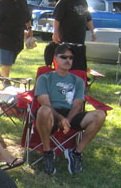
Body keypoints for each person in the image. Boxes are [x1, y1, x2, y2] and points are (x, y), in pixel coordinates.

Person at [34, 43, 106, 176]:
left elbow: (78, 105)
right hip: (51, 113)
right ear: (55, 58)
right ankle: (48, 152)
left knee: (100, 115)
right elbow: (44, 102)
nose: (68, 60)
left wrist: (67, 120)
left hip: (71, 114)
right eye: (64, 57)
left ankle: (76, 153)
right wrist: (61, 119)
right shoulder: (44, 78)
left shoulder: (78, 81)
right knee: (43, 110)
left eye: (71, 58)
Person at [52, 0, 95, 71]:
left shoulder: (83, 1)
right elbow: (57, 19)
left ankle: (79, 76)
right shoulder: (64, 1)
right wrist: (55, 33)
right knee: (66, 57)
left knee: (78, 60)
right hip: (66, 37)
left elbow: (88, 18)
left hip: (79, 37)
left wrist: (92, 32)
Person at [0, 0, 33, 79]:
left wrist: (29, 29)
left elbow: (27, 16)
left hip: (17, 37)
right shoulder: (3, 2)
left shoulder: (22, 0)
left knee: (10, 62)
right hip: (4, 37)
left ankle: (2, 75)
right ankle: (5, 82)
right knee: (6, 62)